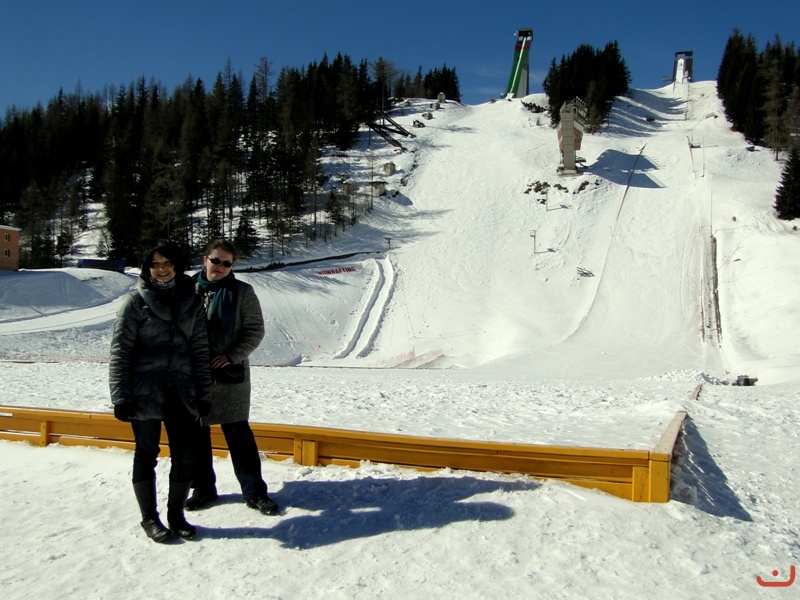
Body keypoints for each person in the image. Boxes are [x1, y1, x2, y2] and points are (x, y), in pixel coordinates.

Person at [109, 240, 212, 543]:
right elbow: (120, 352)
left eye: (167, 263)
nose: (161, 269)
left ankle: (176, 516)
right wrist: (120, 396)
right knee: (146, 454)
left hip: (181, 391)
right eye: (154, 264)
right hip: (144, 392)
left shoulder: (192, 302)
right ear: (147, 268)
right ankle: (149, 518)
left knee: (185, 455)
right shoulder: (134, 302)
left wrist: (204, 394)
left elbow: (200, 351)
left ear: (177, 265)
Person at [186, 239, 279, 516]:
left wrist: (231, 355)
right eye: (216, 260)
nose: (220, 267)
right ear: (205, 259)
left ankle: (255, 492)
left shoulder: (242, 292)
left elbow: (255, 330)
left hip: (229, 375)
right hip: (194, 374)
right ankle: (203, 488)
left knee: (239, 435)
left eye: (227, 263)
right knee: (196, 434)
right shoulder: (186, 289)